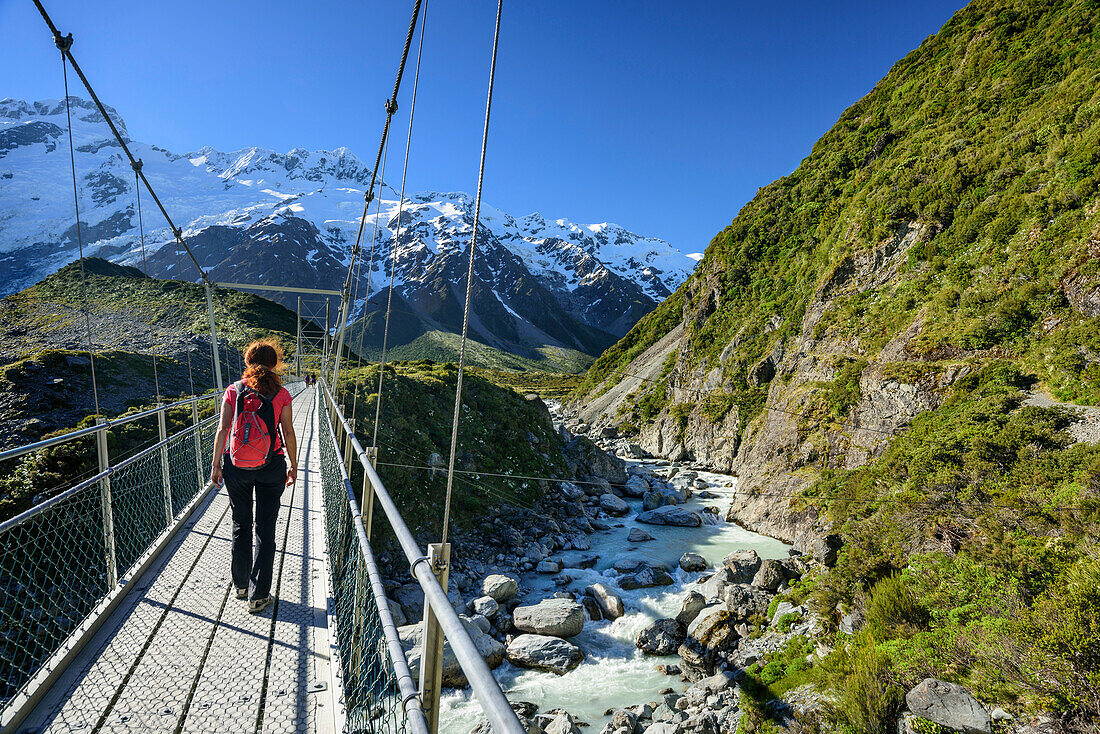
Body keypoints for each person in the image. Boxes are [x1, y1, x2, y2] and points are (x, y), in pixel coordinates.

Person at [210, 339, 298, 613]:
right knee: (265, 530)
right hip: (272, 466)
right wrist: (294, 464)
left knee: (241, 525)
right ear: (275, 365)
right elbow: (289, 432)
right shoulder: (282, 393)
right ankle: (259, 595)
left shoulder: (233, 390)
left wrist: (216, 465)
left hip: (236, 467)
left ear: (247, 363)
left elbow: (223, 430)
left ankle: (240, 586)